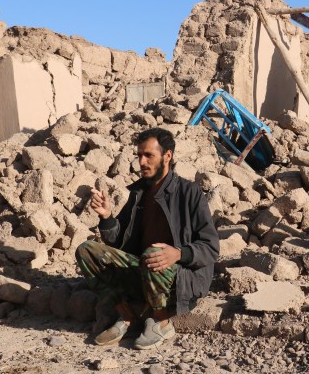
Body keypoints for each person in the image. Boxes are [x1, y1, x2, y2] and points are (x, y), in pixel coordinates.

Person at [75, 127, 219, 349]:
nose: (141, 162)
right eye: (139, 155)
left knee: (155, 253)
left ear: (167, 156)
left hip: (179, 279)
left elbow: (210, 247)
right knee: (86, 250)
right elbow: (117, 242)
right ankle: (127, 316)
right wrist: (107, 217)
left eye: (148, 155)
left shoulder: (189, 193)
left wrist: (178, 254)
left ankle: (160, 321)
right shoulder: (139, 193)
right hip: (144, 270)